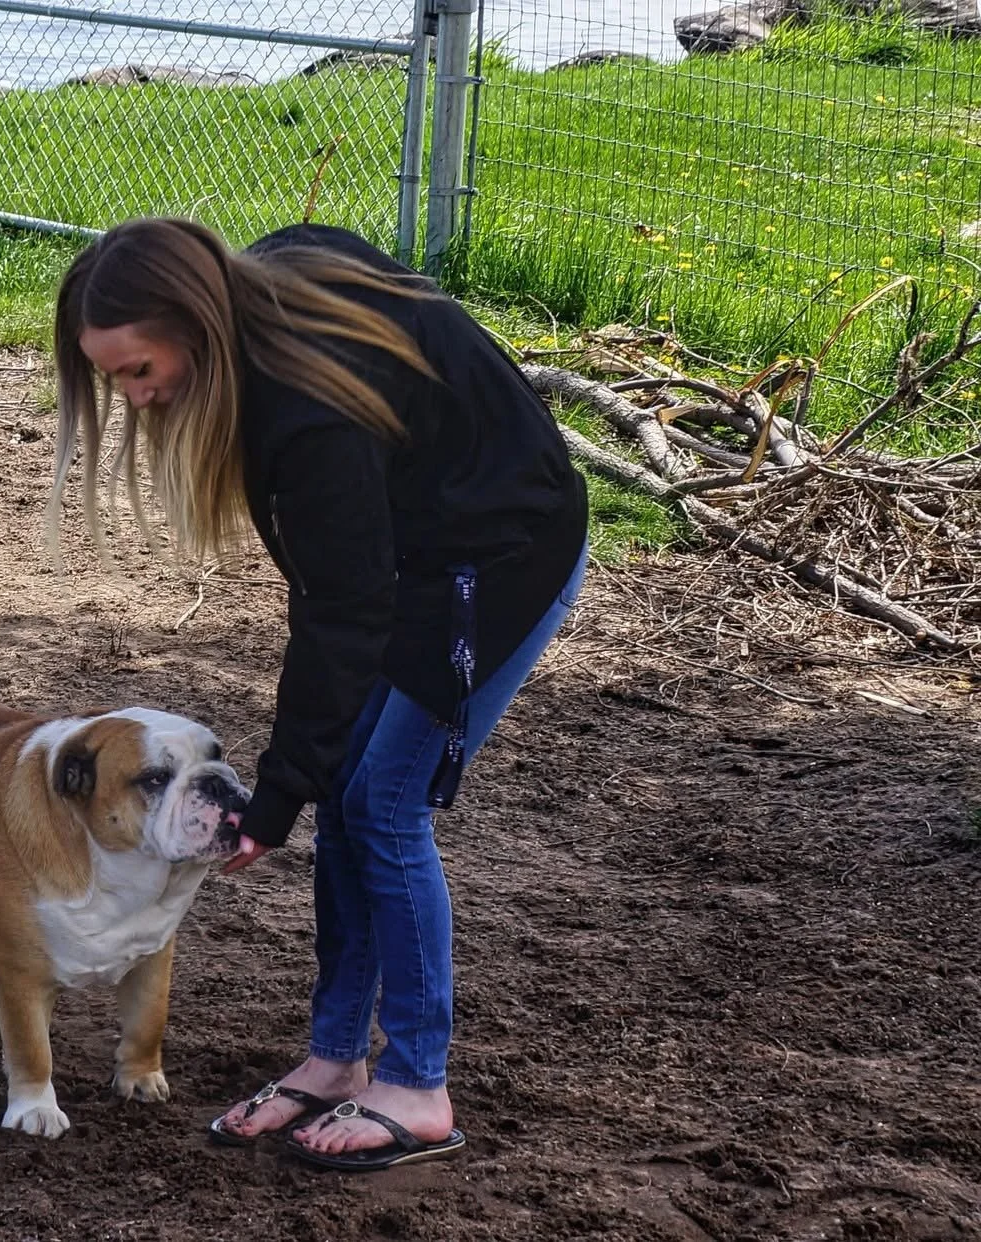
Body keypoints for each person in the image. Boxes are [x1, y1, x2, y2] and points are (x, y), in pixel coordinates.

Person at [47, 218, 588, 1172]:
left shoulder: (304, 412)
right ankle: (337, 1061)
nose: (137, 398)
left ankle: (417, 1084)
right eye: (114, 380)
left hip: (503, 557)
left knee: (381, 805)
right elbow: (345, 591)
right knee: (350, 796)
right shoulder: (265, 292)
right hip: (423, 556)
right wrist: (302, 783)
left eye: (138, 370)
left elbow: (342, 612)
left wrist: (278, 793)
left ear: (192, 319)